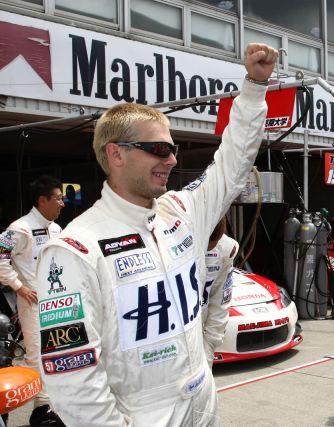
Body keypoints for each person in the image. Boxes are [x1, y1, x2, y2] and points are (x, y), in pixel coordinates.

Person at [34, 43, 277, 426]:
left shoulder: (180, 211)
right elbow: (72, 375)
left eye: (173, 149)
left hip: (202, 404)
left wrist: (254, 88)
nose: (173, 159)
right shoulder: (74, 249)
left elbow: (233, 162)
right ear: (116, 154)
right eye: (159, 149)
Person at [0, 175, 65, 426]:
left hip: (59, 303)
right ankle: (42, 408)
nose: (62, 203)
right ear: (42, 200)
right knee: (37, 355)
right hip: (34, 305)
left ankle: (54, 405)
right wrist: (19, 287)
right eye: (58, 198)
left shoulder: (57, 229)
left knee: (58, 354)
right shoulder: (19, 228)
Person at [202, 217, 238, 365]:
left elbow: (221, 304)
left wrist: (209, 347)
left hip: (200, 329)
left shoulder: (227, 248)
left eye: (212, 245)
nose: (208, 250)